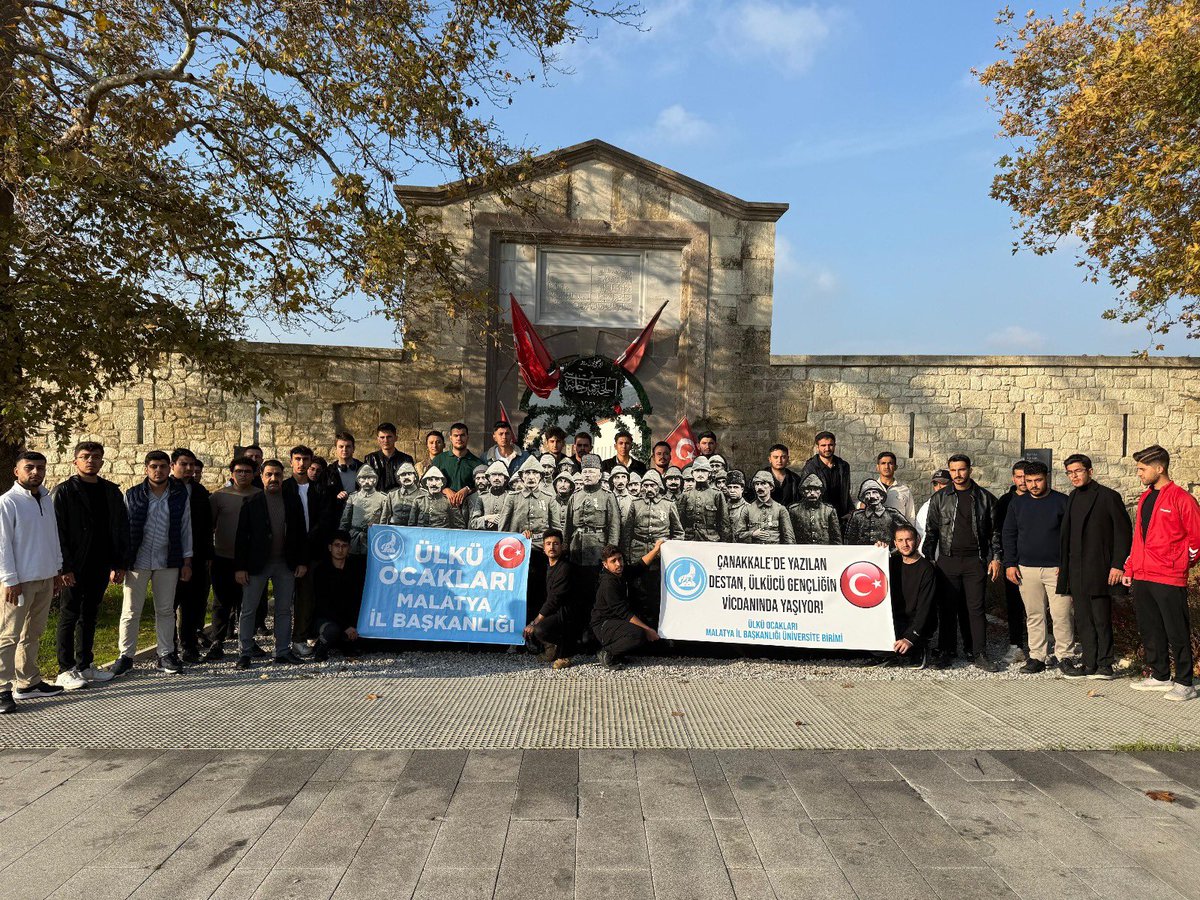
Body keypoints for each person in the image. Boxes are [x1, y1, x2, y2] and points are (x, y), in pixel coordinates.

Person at [1123, 445, 1200, 701]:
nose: (1139, 474)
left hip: (1169, 575)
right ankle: (1159, 675)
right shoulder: (1146, 497)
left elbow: (1196, 538)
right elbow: (1139, 538)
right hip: (1143, 575)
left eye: (1142, 469)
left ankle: (1185, 682)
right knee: (1151, 628)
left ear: (1160, 468)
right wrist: (1131, 567)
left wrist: (1180, 563)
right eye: (1138, 469)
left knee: (1176, 629)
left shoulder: (1181, 498)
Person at [52, 442, 127, 690]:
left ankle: (85, 665)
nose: (90, 461)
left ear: (102, 461)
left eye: (96, 457)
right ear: (76, 461)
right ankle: (65, 669)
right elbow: (58, 532)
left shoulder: (111, 492)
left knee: (90, 614)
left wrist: (118, 563)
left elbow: (119, 529)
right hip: (74, 565)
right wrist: (64, 567)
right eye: (85, 457)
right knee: (69, 614)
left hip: (101, 563)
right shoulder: (64, 492)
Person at [113, 451, 193, 676]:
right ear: (146, 469)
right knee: (130, 610)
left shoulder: (179, 495)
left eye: (162, 466)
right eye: (153, 466)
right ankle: (126, 656)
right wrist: (118, 563)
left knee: (166, 609)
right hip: (137, 561)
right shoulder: (133, 494)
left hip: (168, 560)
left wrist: (187, 561)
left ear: (169, 468)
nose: (158, 471)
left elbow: (186, 529)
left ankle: (165, 654)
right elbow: (123, 529)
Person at [921, 454, 1002, 672]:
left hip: (975, 561)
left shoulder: (985, 498)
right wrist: (929, 559)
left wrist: (995, 558)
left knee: (975, 609)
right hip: (947, 560)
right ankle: (947, 651)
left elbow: (995, 533)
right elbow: (931, 532)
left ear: (970, 470)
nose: (958, 474)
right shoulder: (939, 499)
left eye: (962, 470)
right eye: (953, 470)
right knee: (946, 609)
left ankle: (979, 654)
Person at [0, 451, 67, 711]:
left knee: (33, 633)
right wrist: (10, 579)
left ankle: (28, 682)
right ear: (16, 471)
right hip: (18, 581)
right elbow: (3, 546)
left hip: (45, 577)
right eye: (29, 467)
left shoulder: (47, 499)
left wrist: (57, 570)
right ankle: (3, 688)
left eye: (40, 467)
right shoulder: (8, 502)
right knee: (8, 636)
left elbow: (53, 536)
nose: (36, 472)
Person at [1057, 454, 1132, 681]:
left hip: (1100, 568)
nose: (1074, 476)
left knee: (1100, 618)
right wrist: (1065, 567)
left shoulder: (1109, 497)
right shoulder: (1072, 497)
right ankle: (1089, 663)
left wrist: (1118, 565)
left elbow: (1123, 533)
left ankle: (1105, 665)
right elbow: (1067, 536)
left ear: (1090, 471)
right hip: (1076, 569)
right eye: (1070, 472)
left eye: (1078, 471)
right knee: (1083, 619)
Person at [233, 459, 309, 668]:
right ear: (262, 476)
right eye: (269, 474)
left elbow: (301, 533)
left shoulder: (292, 501)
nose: (273, 478)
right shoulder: (251, 502)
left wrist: (301, 562)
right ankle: (245, 653)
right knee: (248, 609)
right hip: (256, 565)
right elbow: (241, 537)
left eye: (277, 474)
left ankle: (282, 651)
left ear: (282, 476)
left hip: (285, 564)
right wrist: (240, 567)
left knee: (284, 610)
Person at [1002, 460, 1075, 675]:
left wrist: (1067, 564)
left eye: (1038, 480)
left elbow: (1071, 537)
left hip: (1056, 569)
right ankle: (1037, 656)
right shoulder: (1018, 504)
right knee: (1034, 615)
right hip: (1026, 569)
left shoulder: (1063, 502)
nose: (1033, 485)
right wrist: (1010, 564)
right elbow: (1009, 534)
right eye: (1029, 480)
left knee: (1062, 614)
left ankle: (1065, 657)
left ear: (1047, 478)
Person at [205, 457, 260, 660]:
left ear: (254, 474)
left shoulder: (259, 496)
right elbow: (208, 527)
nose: (243, 474)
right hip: (223, 557)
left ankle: (247, 641)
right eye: (239, 471)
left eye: (247, 471)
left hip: (249, 559)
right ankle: (217, 641)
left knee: (247, 603)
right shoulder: (219, 497)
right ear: (232, 473)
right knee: (221, 601)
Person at [169, 448, 213, 664]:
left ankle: (189, 646)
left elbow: (207, 526)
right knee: (169, 605)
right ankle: (168, 649)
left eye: (191, 465)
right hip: (169, 558)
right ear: (173, 466)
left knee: (191, 604)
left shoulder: (200, 491)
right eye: (183, 464)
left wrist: (206, 556)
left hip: (196, 557)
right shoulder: (164, 489)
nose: (188, 469)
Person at [591, 541, 664, 670]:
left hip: (616, 622)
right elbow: (623, 612)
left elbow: (639, 566)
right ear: (605, 564)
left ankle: (617, 654)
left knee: (639, 629)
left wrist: (656, 549)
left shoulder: (621, 572)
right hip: (603, 625)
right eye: (613, 561)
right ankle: (607, 653)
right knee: (638, 633)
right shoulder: (608, 583)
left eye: (620, 559)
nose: (618, 564)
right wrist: (648, 630)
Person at [564, 454, 622, 612]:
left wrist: (610, 553)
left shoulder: (607, 496)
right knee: (577, 592)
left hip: (598, 551)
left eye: (591, 471)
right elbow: (568, 526)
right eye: (585, 472)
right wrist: (565, 548)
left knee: (597, 593)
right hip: (577, 551)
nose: (587, 475)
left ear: (600, 474)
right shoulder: (575, 496)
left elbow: (614, 525)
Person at [285, 445, 325, 660]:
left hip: (311, 553)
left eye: (305, 459)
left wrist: (307, 552)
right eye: (297, 459)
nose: (301, 463)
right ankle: (281, 643)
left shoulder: (318, 490)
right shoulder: (283, 489)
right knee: (284, 602)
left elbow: (321, 522)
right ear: (291, 461)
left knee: (305, 599)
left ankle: (300, 639)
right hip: (286, 553)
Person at [993, 460, 1030, 664]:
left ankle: (1037, 648)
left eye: (1026, 476)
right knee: (1014, 605)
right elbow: (997, 532)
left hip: (1036, 561)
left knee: (1037, 608)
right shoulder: (1005, 501)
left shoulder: (1040, 497)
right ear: (1013, 478)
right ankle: (1016, 645)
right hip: (1012, 561)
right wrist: (1000, 559)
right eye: (1018, 476)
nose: (1022, 480)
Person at [523, 529, 577, 665]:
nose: (551, 547)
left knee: (539, 629)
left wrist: (534, 622)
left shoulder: (565, 568)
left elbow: (554, 600)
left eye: (555, 544)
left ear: (562, 546)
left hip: (565, 614)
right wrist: (523, 539)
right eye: (548, 544)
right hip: (551, 611)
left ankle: (559, 651)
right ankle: (551, 648)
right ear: (543, 547)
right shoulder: (544, 564)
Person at [885, 524, 936, 668]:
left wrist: (910, 638)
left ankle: (920, 647)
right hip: (896, 620)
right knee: (876, 649)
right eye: (900, 540)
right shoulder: (891, 563)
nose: (905, 544)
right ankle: (892, 653)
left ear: (917, 541)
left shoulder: (927, 569)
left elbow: (925, 609)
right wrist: (877, 551)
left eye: (909, 540)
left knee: (908, 644)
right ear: (895, 543)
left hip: (919, 622)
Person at [311, 531, 367, 661]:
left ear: (349, 548)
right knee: (332, 631)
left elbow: (357, 599)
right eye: (337, 545)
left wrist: (352, 625)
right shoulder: (321, 571)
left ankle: (345, 643)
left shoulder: (355, 569)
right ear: (330, 547)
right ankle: (322, 647)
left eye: (344, 546)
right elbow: (323, 604)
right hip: (327, 617)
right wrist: (345, 626)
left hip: (350, 618)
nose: (340, 549)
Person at [430, 422, 486, 509]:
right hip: (441, 509)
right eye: (456, 435)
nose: (459, 438)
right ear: (451, 438)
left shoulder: (477, 463)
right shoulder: (439, 460)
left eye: (462, 435)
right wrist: (445, 490)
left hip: (468, 509)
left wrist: (467, 490)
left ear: (467, 437)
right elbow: (428, 484)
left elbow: (483, 487)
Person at [843, 478, 910, 548]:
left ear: (881, 496)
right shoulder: (857, 516)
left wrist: (893, 551)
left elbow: (908, 533)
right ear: (864, 498)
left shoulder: (892, 514)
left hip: (888, 556)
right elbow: (849, 540)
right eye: (867, 493)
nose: (872, 496)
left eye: (875, 492)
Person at [677, 456, 730, 542]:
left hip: (711, 540)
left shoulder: (717, 494)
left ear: (709, 473)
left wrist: (723, 544)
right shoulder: (686, 495)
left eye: (704, 471)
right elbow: (679, 522)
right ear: (692, 473)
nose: (700, 474)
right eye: (697, 471)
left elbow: (724, 524)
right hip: (690, 540)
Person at [800, 432, 851, 519]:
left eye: (830, 445)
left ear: (834, 445)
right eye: (823, 445)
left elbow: (846, 492)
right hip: (820, 518)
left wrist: (850, 511)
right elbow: (806, 497)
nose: (827, 448)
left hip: (841, 516)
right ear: (817, 447)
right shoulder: (810, 468)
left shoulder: (843, 466)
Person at [340, 466, 391, 553]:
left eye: (370, 478)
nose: (366, 481)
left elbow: (386, 521)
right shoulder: (353, 497)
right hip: (354, 539)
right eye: (363, 478)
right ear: (359, 480)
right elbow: (345, 520)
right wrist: (341, 537)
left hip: (373, 539)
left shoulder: (383, 498)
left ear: (375, 480)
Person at [734, 471, 796, 544]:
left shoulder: (780, 509)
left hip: (774, 553)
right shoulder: (747, 509)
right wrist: (752, 534)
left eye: (763, 484)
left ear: (771, 486)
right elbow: (738, 535)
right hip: (754, 553)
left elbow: (789, 538)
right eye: (757, 484)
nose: (759, 487)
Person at [787, 473, 842, 545]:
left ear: (821, 492)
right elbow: (789, 536)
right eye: (808, 489)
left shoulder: (829, 510)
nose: (812, 493)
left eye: (816, 489)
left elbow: (836, 537)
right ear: (803, 492)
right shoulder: (794, 510)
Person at [323, 431, 362, 530]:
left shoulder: (363, 469)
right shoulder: (328, 472)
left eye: (348, 446)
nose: (344, 449)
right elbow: (324, 497)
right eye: (341, 447)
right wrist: (336, 496)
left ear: (353, 449)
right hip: (336, 520)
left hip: (360, 517)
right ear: (335, 449)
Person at [363, 422, 416, 491]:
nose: (386, 440)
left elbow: (410, 484)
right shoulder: (370, 459)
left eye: (389, 437)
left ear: (396, 438)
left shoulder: (406, 459)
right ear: (378, 439)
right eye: (382, 437)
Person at [468, 460, 511, 530]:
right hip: (486, 537)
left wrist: (500, 519)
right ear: (489, 478)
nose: (497, 478)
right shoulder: (482, 497)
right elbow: (473, 523)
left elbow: (517, 520)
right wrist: (487, 518)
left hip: (506, 537)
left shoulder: (511, 496)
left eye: (500, 475)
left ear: (505, 479)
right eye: (494, 475)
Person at [874, 451, 915, 523]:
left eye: (890, 463)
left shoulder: (905, 490)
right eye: (883, 463)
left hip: (898, 532)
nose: (886, 466)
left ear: (895, 467)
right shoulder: (870, 489)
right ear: (877, 467)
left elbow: (911, 517)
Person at [914, 469, 951, 549]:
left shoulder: (959, 503)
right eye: (935, 484)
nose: (939, 487)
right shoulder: (926, 507)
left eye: (943, 483)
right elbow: (921, 532)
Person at [387, 461, 421, 527]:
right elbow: (385, 517)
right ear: (399, 479)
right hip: (395, 532)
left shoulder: (423, 495)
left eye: (409, 474)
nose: (406, 477)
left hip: (415, 532)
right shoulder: (392, 495)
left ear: (415, 477)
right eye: (403, 475)